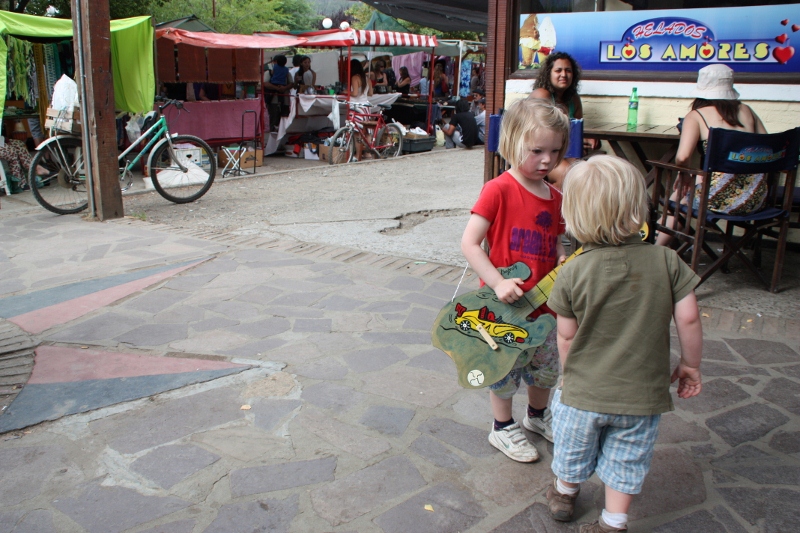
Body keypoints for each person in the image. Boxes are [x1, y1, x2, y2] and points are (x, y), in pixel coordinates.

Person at [546, 155, 703, 533]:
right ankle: (613, 522)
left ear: (574, 216)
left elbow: (566, 335)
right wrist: (690, 364)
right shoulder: (667, 261)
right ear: (639, 210)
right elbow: (689, 318)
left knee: (572, 445)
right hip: (641, 395)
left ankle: (565, 493)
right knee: (627, 458)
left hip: (583, 391)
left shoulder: (571, 272)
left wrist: (569, 376)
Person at [461, 98, 569, 463]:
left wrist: (564, 261)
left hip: (544, 307)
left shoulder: (556, 197)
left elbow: (556, 244)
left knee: (544, 368)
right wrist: (495, 282)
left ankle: (537, 418)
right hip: (503, 308)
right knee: (504, 369)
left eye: (555, 151)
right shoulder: (499, 189)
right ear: (511, 144)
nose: (547, 160)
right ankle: (502, 427)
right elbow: (470, 243)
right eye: (537, 150)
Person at [655, 64, 768, 246]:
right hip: (756, 197)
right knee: (683, 192)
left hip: (721, 198)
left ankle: (655, 246)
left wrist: (683, 173)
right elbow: (767, 148)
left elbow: (682, 158)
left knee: (680, 200)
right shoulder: (747, 111)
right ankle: (655, 237)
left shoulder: (697, 115)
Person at [530, 52, 587, 190]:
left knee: (584, 173)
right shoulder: (542, 94)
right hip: (539, 152)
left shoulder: (573, 98)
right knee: (569, 174)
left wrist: (587, 138)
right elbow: (538, 132)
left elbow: (577, 129)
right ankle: (552, 208)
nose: (564, 75)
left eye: (568, 70)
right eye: (558, 70)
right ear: (549, 73)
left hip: (562, 151)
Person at [349, 59, 374, 161]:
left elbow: (354, 93)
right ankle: (367, 153)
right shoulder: (367, 78)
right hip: (366, 107)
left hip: (356, 107)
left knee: (356, 132)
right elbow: (370, 93)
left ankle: (357, 155)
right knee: (366, 131)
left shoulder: (355, 78)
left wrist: (346, 91)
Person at [264, 54, 292, 132]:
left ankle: (280, 133)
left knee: (284, 117)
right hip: (274, 99)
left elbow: (291, 83)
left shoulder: (273, 70)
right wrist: (281, 88)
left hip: (284, 99)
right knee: (274, 117)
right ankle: (273, 133)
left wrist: (281, 88)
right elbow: (265, 83)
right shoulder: (286, 70)